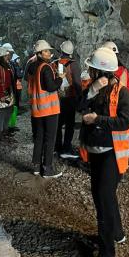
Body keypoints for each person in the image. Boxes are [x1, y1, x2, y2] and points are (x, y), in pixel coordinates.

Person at [79, 46, 129, 257]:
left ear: (100, 71)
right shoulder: (91, 88)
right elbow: (79, 107)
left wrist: (98, 119)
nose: (89, 72)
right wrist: (92, 89)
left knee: (104, 200)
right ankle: (117, 233)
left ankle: (107, 252)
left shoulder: (121, 92)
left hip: (112, 154)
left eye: (92, 69)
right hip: (94, 151)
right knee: (103, 195)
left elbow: (125, 122)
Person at [28, 40, 63, 178]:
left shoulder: (32, 66)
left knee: (39, 138)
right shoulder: (45, 67)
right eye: (47, 51)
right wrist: (60, 79)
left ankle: (36, 167)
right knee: (50, 139)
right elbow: (51, 87)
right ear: (40, 53)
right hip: (49, 110)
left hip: (37, 109)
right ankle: (47, 169)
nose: (50, 53)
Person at [55, 40, 82, 159]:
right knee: (70, 124)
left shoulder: (55, 63)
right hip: (70, 98)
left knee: (58, 123)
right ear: (71, 52)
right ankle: (66, 147)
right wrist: (81, 97)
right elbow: (76, 82)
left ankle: (57, 146)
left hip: (57, 98)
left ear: (61, 50)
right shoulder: (74, 64)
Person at [0, 47, 16, 141]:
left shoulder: (5, 65)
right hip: (2, 92)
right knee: (2, 112)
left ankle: (5, 130)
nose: (7, 56)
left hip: (8, 91)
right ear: (1, 57)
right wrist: (0, 95)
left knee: (9, 110)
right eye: (5, 55)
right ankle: (0, 132)